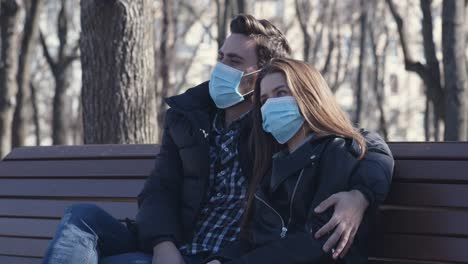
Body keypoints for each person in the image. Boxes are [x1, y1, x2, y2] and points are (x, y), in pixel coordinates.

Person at [41, 15, 393, 264]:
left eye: (235, 60)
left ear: (259, 75)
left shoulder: (273, 126)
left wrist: (360, 196)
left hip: (220, 252)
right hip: (173, 243)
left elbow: (360, 142)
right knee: (81, 216)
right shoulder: (188, 116)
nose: (221, 68)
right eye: (220, 57)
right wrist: (163, 244)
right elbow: (159, 188)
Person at [206, 58, 392, 264]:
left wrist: (362, 195)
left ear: (308, 95)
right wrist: (221, 260)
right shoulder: (270, 164)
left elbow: (318, 240)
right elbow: (254, 238)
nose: (271, 105)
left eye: (281, 93)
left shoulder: (337, 151)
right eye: (264, 100)